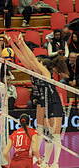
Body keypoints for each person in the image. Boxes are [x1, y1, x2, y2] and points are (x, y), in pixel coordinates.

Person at [6, 34, 69, 168]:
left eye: (40, 62)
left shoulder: (45, 73)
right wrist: (12, 43)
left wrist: (22, 44)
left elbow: (32, 59)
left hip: (54, 101)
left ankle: (55, 162)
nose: (36, 63)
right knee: (44, 133)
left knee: (54, 135)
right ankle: (44, 160)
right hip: (42, 101)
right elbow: (24, 58)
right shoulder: (34, 71)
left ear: (44, 66)